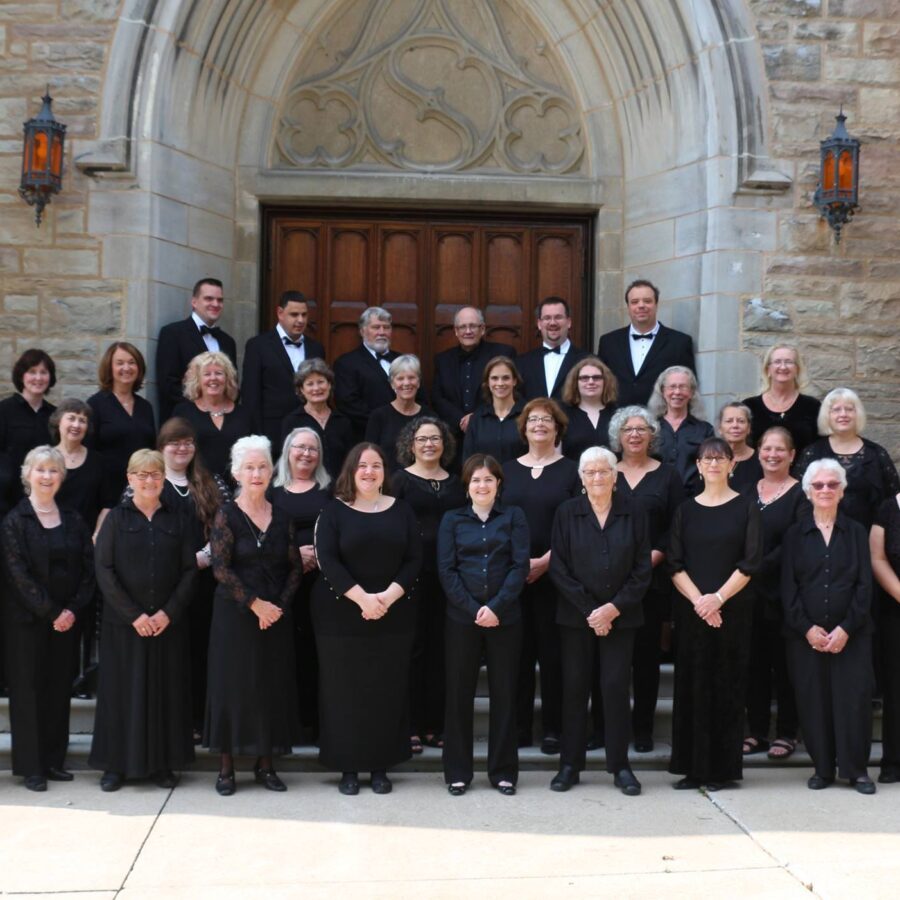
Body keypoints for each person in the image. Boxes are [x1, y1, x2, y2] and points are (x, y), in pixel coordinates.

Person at [312, 443, 423, 795]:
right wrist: (362, 599)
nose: (370, 471)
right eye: (362, 465)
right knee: (343, 691)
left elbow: (414, 559)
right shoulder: (333, 511)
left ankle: (379, 765)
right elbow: (327, 560)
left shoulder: (401, 510)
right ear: (350, 471)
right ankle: (347, 766)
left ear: (384, 472)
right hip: (340, 616)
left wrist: (386, 598)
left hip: (393, 614)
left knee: (385, 690)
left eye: (376, 465)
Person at [90, 449, 196, 792]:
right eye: (142, 475)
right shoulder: (116, 520)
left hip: (167, 623)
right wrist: (134, 615)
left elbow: (189, 570)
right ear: (130, 478)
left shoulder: (178, 518)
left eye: (155, 475)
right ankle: (115, 767)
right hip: (124, 625)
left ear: (163, 479)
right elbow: (104, 570)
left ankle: (161, 766)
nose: (149, 481)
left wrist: (169, 612)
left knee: (165, 694)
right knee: (120, 696)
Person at [549, 447, 651, 796]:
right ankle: (570, 765)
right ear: (581, 478)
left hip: (622, 619)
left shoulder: (634, 512)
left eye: (603, 471)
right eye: (590, 472)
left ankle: (619, 766)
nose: (597, 478)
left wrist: (612, 609)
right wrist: (592, 611)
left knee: (615, 690)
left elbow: (642, 569)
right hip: (577, 619)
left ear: (615, 476)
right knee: (575, 690)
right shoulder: (567, 512)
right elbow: (559, 567)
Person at [205, 436, 302, 796]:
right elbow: (220, 567)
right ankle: (227, 769)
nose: (257, 473)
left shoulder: (283, 516)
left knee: (269, 687)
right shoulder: (225, 514)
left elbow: (295, 568)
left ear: (272, 470)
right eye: (250, 467)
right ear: (236, 473)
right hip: (236, 614)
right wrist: (255, 604)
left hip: (275, 615)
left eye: (262, 466)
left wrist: (277, 607)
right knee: (232, 687)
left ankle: (266, 764)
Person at [668, 437, 762, 790]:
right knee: (692, 687)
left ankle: (721, 770)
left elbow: (750, 561)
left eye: (720, 458)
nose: (713, 464)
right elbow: (674, 563)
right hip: (693, 612)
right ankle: (693, 769)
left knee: (726, 687)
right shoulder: (685, 510)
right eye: (707, 458)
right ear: (698, 464)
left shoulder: (746, 507)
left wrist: (718, 599)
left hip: (732, 611)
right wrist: (700, 603)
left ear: (731, 464)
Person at [2, 447, 94, 791]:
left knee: (58, 691)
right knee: (29, 692)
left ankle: (54, 760)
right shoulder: (15, 521)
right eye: (40, 470)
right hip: (27, 623)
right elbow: (18, 575)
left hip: (67, 622)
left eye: (53, 470)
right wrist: (53, 612)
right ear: (28, 475)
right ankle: (32, 767)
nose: (46, 476)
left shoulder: (73, 518)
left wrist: (71, 610)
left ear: (61, 477)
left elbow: (88, 568)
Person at [782, 459, 875, 794]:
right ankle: (822, 768)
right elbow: (788, 588)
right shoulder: (795, 535)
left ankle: (857, 771)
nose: (825, 490)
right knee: (814, 701)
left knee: (853, 701)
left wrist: (846, 628)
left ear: (842, 490)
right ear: (808, 491)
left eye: (832, 485)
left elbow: (865, 586)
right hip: (805, 636)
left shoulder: (857, 532)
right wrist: (807, 628)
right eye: (818, 485)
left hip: (852, 634)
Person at [438, 454, 529, 795]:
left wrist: (496, 607)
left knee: (505, 694)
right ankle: (458, 772)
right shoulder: (452, 520)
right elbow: (447, 570)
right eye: (476, 480)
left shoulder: (514, 517)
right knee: (459, 695)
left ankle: (503, 771)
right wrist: (475, 609)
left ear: (499, 484)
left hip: (506, 618)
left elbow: (520, 566)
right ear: (467, 486)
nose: (482, 485)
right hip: (462, 619)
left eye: (488, 479)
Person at [501, 399, 579, 753]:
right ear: (523, 427)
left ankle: (552, 728)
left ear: (558, 428)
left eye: (547, 420)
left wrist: (547, 561)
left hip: (557, 576)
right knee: (516, 655)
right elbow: (498, 522)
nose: (539, 425)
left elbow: (577, 525)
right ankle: (518, 727)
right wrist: (521, 564)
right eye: (533, 419)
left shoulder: (572, 471)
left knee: (552, 656)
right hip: (513, 577)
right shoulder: (506, 471)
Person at [609, 406, 684, 752]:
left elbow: (676, 527)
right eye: (628, 429)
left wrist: (651, 558)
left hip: (652, 583)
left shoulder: (667, 476)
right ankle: (609, 728)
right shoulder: (606, 471)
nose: (635, 434)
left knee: (646, 661)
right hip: (608, 583)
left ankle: (642, 730)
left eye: (642, 429)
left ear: (652, 435)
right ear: (618, 437)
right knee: (611, 661)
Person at [392, 417, 465, 753]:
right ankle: (409, 726)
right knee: (413, 649)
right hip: (411, 577)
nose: (429, 445)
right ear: (411, 444)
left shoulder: (456, 482)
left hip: (449, 576)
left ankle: (435, 725)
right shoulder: (399, 482)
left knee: (441, 651)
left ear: (445, 444)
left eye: (435, 439)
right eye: (422, 439)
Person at [156, 417, 230, 742]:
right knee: (171, 654)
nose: (181, 447)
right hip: (164, 583)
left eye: (187, 442)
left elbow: (228, 526)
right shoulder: (150, 481)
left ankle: (200, 721)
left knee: (202, 651)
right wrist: (179, 563)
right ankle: (173, 723)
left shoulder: (211, 483)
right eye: (174, 442)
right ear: (162, 447)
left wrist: (204, 556)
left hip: (205, 581)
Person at [743, 426, 806, 762]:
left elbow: (793, 544)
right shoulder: (745, 490)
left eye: (780, 449)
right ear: (758, 451)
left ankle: (786, 732)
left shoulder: (802, 494)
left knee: (784, 667)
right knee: (754, 665)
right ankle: (754, 730)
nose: (772, 454)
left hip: (784, 595)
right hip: (747, 595)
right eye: (767, 448)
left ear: (792, 454)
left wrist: (753, 566)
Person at [50, 399, 115, 698]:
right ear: (59, 422)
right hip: (51, 547)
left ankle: (83, 679)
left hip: (87, 546)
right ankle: (57, 677)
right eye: (71, 418)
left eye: (82, 420)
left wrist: (98, 533)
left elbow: (106, 503)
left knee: (86, 613)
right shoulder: (47, 460)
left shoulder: (99, 462)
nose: (76, 425)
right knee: (55, 612)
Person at [271, 427, 332, 743]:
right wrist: (295, 555)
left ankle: (318, 724)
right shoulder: (273, 492)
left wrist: (320, 556)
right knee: (288, 653)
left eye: (313, 448)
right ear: (287, 450)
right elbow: (263, 537)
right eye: (300, 447)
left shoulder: (329, 490)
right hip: (284, 585)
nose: (306, 453)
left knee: (318, 653)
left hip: (322, 584)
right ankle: (291, 725)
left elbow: (339, 530)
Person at [796, 388, 900, 531]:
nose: (843, 414)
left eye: (849, 409)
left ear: (858, 414)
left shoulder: (877, 454)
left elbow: (893, 501)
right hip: (819, 538)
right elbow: (799, 498)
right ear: (827, 416)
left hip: (868, 539)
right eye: (836, 410)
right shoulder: (812, 453)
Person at [241, 291, 326, 451]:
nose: (300, 320)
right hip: (272, 431)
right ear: (280, 313)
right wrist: (258, 437)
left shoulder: (316, 348)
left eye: (304, 315)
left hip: (309, 430)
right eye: (294, 315)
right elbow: (251, 395)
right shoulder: (258, 346)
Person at [597, 279, 696, 407]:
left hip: (662, 419)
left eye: (647, 301)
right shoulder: (608, 342)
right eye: (634, 302)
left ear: (656, 304)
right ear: (628, 307)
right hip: (617, 419)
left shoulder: (680, 342)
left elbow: (689, 385)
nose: (641, 305)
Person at [431, 306, 516, 451]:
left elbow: (510, 391)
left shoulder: (503, 353)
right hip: (453, 439)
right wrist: (460, 420)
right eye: (462, 327)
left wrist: (477, 417)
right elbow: (437, 398)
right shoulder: (443, 360)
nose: (468, 331)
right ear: (456, 331)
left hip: (492, 433)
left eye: (473, 326)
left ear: (482, 329)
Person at [333, 307, 425, 440]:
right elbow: (348, 404)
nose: (382, 332)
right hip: (367, 437)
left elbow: (420, 397)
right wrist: (386, 423)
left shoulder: (404, 360)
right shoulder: (346, 363)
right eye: (376, 327)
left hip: (409, 436)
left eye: (386, 327)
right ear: (362, 331)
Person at [156, 278, 238, 422]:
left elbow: (232, 385)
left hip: (223, 424)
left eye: (220, 300)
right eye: (209, 299)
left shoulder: (228, 342)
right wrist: (201, 411)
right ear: (194, 302)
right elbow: (168, 384)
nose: (215, 304)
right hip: (184, 423)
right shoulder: (173, 333)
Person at [86, 342, 157, 497]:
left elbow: (152, 450)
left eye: (132, 363)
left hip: (142, 490)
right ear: (109, 368)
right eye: (120, 363)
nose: (126, 368)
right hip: (106, 490)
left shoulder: (145, 407)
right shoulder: (95, 404)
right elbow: (89, 452)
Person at [171, 351, 253, 480]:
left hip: (238, 490)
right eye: (207, 374)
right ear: (198, 379)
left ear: (227, 379)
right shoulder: (183, 412)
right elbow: (172, 453)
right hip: (196, 488)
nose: (213, 378)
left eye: (219, 373)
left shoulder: (244, 414)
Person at [0, 349, 57, 512]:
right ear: (21, 376)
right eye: (32, 372)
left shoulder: (55, 416)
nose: (38, 378)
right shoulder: (4, 411)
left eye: (43, 372)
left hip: (45, 497)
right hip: (7, 499)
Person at [280, 359, 354, 480]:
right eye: (310, 384)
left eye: (321, 382)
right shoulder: (292, 422)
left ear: (329, 385)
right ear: (302, 390)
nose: (316, 388)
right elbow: (287, 462)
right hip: (306, 491)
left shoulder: (343, 421)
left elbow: (350, 461)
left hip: (339, 491)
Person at [743, 344, 820, 455]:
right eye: (777, 362)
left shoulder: (812, 406)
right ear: (768, 369)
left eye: (789, 362)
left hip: (804, 472)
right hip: (757, 472)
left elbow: (820, 446)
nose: (783, 367)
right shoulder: (749, 407)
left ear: (797, 369)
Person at [871, 489, 900, 784]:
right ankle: (894, 761)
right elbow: (877, 558)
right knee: (896, 690)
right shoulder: (889, 507)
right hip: (896, 612)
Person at [648, 366, 713, 497]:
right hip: (656, 498)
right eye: (672, 387)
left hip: (693, 500)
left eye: (683, 387)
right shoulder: (650, 428)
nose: (677, 392)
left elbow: (710, 465)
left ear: (692, 392)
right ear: (662, 391)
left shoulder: (704, 429)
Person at [365, 355, 436, 470]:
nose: (406, 383)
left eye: (411, 377)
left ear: (418, 382)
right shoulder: (378, 416)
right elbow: (370, 456)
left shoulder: (430, 417)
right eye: (400, 378)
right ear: (392, 383)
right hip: (387, 484)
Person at [517, 297, 589, 401]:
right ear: (539, 324)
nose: (552, 323)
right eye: (547, 318)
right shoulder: (523, 362)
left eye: (558, 317)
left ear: (569, 322)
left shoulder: (586, 360)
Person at [462, 356, 526, 464]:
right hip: (485, 480)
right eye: (494, 378)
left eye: (506, 378)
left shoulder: (528, 415)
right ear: (487, 382)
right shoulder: (477, 419)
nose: (500, 383)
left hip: (521, 480)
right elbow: (468, 460)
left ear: (514, 381)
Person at [559, 356, 618, 462]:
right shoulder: (562, 415)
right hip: (573, 477)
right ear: (575, 383)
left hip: (612, 476)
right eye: (584, 378)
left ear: (606, 381)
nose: (591, 382)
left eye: (596, 377)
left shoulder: (617, 414)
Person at [717, 402, 762, 494]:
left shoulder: (761, 461)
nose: (735, 426)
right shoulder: (709, 460)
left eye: (741, 421)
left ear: (749, 428)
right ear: (720, 428)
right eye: (729, 421)